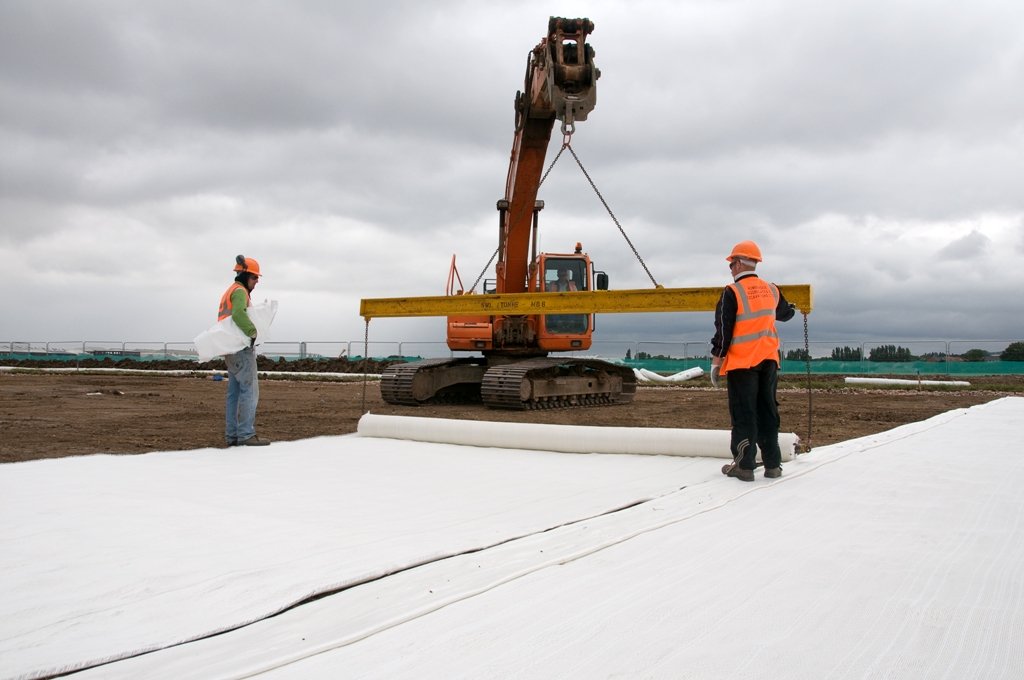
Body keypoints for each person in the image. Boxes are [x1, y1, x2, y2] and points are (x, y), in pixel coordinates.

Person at [711, 240, 795, 481]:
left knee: (744, 414)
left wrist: (716, 363)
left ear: (738, 264)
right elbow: (786, 314)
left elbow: (724, 333)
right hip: (769, 361)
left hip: (742, 363)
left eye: (731, 264)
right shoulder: (772, 290)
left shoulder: (732, 292)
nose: (730, 269)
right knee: (767, 411)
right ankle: (772, 465)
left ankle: (744, 466)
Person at [218, 255, 270, 447]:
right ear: (245, 274)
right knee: (250, 391)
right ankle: (246, 434)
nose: (257, 282)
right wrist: (253, 332)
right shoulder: (240, 291)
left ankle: (232, 435)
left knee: (234, 392)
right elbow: (239, 313)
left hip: (229, 349)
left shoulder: (229, 291)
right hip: (240, 347)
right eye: (255, 277)